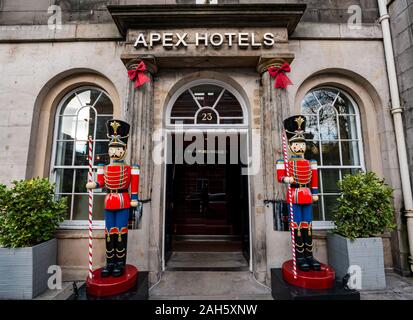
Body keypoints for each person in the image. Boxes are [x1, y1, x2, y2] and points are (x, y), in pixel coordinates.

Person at [86, 119, 140, 277]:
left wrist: (134, 198)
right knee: (109, 232)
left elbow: (134, 185)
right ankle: (110, 262)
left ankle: (120, 263)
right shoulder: (104, 168)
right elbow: (101, 182)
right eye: (112, 148)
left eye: (118, 148)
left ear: (124, 149)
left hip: (123, 200)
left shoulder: (132, 168)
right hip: (109, 201)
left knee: (121, 232)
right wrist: (94, 184)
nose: (115, 152)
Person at [276, 115, 321, 272]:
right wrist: (286, 178)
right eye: (295, 145)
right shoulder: (284, 163)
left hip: (307, 195)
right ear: (290, 146)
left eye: (301, 144)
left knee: (307, 226)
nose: (299, 148)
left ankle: (310, 256)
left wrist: (315, 192)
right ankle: (300, 256)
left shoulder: (311, 163)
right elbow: (280, 177)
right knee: (296, 226)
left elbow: (314, 180)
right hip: (294, 195)